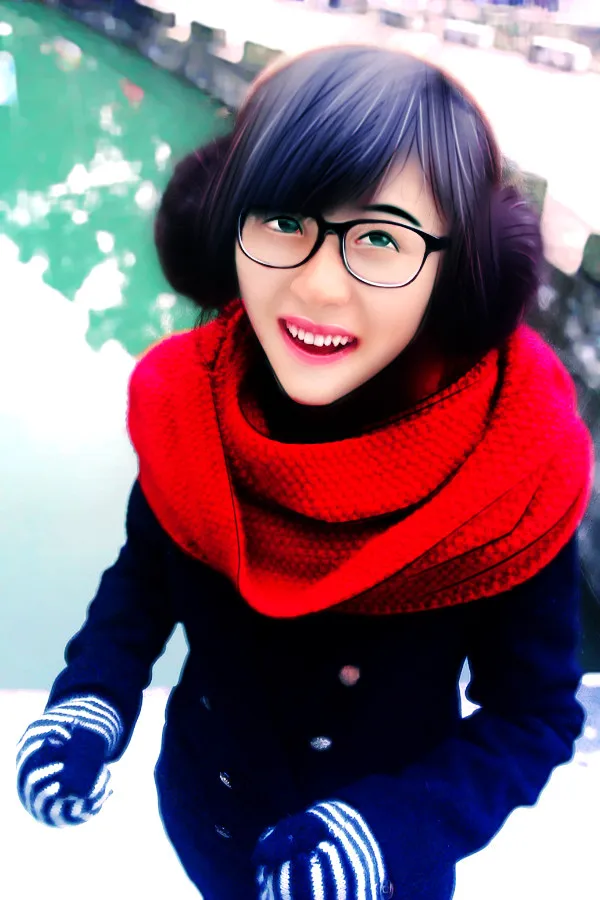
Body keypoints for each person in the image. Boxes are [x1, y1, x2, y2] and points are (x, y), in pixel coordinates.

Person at [16, 45, 593, 900]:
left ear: (461, 266)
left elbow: (533, 714)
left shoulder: (514, 475)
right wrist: (91, 700)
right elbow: (143, 585)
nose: (317, 287)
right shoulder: (191, 416)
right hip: (209, 819)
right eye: (283, 221)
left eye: (381, 238)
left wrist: (393, 829)